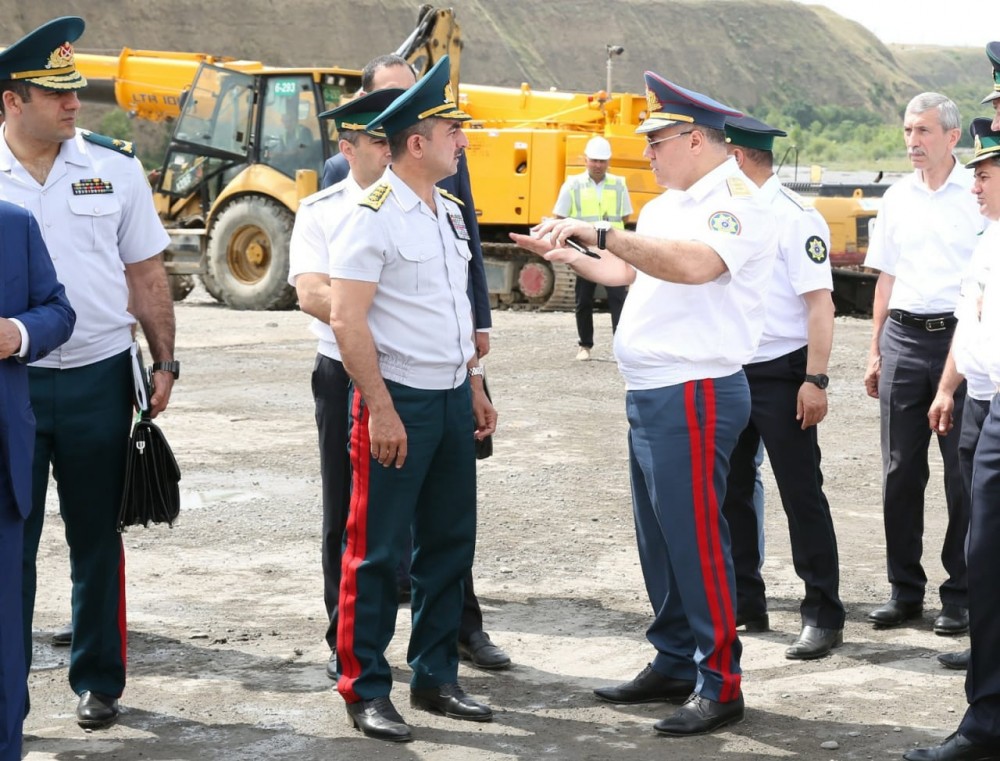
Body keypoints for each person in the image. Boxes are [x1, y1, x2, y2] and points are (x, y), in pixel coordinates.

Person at [512, 70, 777, 737]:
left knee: (696, 541)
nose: (648, 154)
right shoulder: (666, 204)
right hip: (653, 390)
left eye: (657, 141)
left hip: (695, 390)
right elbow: (628, 272)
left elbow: (693, 266)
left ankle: (721, 680)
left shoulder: (734, 199)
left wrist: (602, 232)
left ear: (694, 138)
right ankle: (675, 658)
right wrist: (571, 249)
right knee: (659, 539)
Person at [0, 17, 176, 729]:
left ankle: (99, 678)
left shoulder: (115, 166)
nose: (75, 104)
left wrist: (164, 359)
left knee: (97, 536)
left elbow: (146, 273)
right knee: (10, 540)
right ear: (11, 100)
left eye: (75, 92)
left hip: (101, 374)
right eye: (54, 94)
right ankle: (8, 690)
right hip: (10, 383)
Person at [313, 54, 509, 673]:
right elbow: (345, 318)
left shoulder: (446, 211)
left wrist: (474, 383)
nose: (464, 140)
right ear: (417, 143)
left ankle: (435, 675)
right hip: (398, 398)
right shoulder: (368, 217)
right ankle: (363, 681)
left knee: (448, 545)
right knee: (374, 550)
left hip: (452, 396)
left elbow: (452, 311)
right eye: (454, 132)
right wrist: (380, 409)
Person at [718, 114, 844, 659]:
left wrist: (815, 379)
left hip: (782, 372)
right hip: (732, 367)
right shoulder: (730, 213)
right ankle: (747, 601)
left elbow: (821, 306)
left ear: (740, 159)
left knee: (799, 493)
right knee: (731, 491)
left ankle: (823, 613)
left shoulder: (797, 218)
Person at [288, 87, 403, 681]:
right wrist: (367, 321)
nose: (388, 151)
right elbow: (310, 293)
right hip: (344, 372)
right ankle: (344, 632)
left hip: (415, 374)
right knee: (346, 508)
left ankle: (449, 633)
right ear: (347, 146)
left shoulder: (421, 206)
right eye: (376, 141)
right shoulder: (322, 210)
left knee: (421, 511)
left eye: (392, 139)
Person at [863, 92, 983, 636]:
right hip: (905, 340)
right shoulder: (897, 198)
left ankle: (959, 593)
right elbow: (886, 277)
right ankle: (903, 590)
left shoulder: (976, 194)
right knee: (898, 471)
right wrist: (874, 349)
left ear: (952, 137)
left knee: (962, 474)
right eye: (908, 131)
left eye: (924, 132)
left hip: (958, 343)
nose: (912, 142)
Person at [903, 118, 1000, 761]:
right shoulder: (990, 235)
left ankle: (985, 725)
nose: (975, 187)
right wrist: (947, 388)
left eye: (985, 177)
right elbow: (972, 322)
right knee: (983, 558)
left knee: (988, 561)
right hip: (980, 400)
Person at [0, 204, 75, 761]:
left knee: (2, 624)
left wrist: (18, 333)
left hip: (2, 458)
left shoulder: (13, 223)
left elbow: (58, 309)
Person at [552, 136, 632, 361]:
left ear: (608, 162)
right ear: (585, 160)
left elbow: (625, 215)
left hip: (613, 251)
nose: (598, 165)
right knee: (583, 299)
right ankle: (584, 345)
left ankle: (621, 348)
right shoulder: (572, 184)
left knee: (618, 300)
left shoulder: (619, 184)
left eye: (602, 161)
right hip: (584, 251)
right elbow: (560, 216)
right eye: (594, 160)